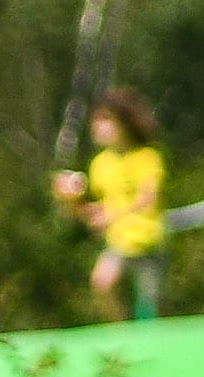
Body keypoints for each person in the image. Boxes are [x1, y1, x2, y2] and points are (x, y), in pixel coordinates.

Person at [52, 90, 167, 319]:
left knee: (150, 305)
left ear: (123, 123)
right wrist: (70, 201)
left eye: (106, 121)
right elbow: (97, 211)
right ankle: (121, 333)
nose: (98, 129)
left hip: (147, 239)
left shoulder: (146, 157)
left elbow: (148, 199)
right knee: (102, 283)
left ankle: (150, 337)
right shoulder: (100, 164)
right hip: (119, 241)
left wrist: (113, 215)